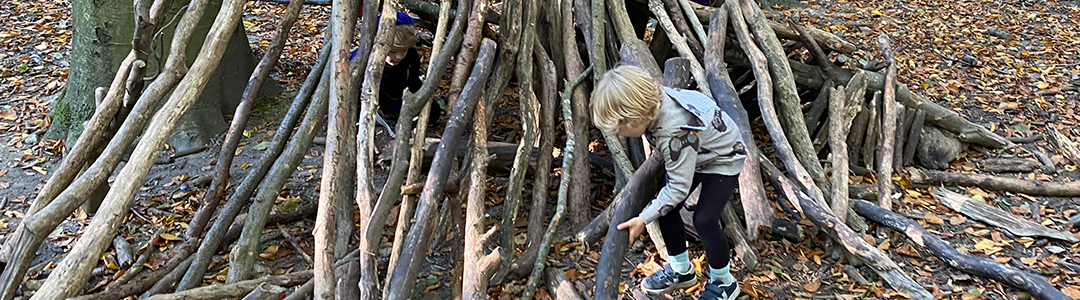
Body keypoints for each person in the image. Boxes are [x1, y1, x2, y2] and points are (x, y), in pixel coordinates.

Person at [591, 65, 746, 300]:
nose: (620, 134)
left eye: (620, 128)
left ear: (637, 116)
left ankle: (724, 282)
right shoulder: (651, 101)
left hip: (722, 159)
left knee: (704, 219)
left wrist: (643, 219)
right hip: (694, 152)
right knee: (666, 210)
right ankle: (681, 270)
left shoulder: (674, 131)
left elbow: (678, 187)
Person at [350, 11, 434, 124]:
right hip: (369, 103)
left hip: (397, 100)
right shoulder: (361, 60)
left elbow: (414, 83)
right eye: (392, 51)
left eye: (404, 49)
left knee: (434, 112)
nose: (399, 56)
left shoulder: (411, 55)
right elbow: (352, 95)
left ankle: (390, 115)